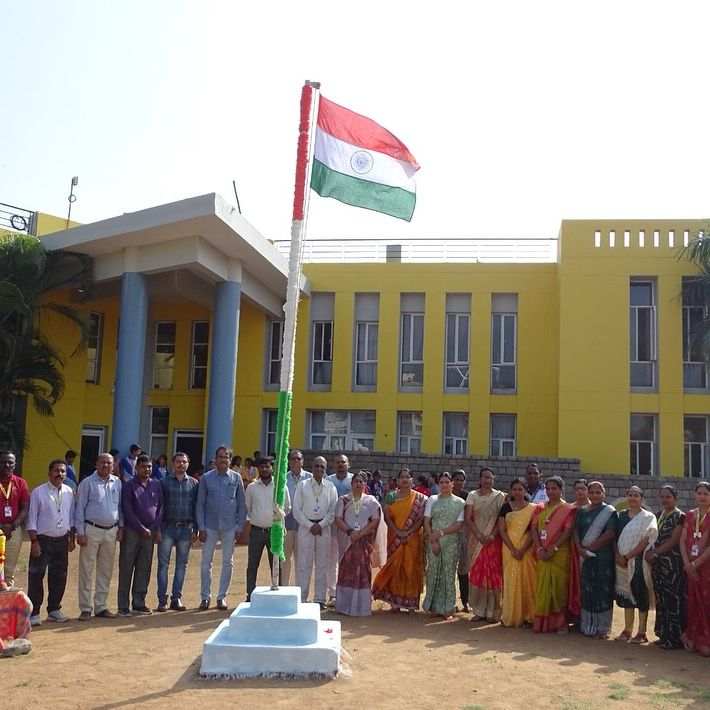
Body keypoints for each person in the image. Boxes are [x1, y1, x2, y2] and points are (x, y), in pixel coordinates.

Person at [195, 446, 247, 610]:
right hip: (209, 526)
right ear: (215, 459)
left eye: (226, 457)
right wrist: (201, 527)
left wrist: (240, 528)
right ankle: (205, 597)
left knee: (227, 562)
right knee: (206, 562)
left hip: (229, 526)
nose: (223, 460)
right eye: (220, 457)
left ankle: (221, 597)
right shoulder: (206, 478)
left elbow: (241, 505)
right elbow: (200, 504)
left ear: (230, 460)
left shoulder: (236, 478)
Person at [26, 459, 76, 625]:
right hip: (43, 541)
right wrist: (34, 541)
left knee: (59, 576)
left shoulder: (69, 491)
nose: (59, 474)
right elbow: (31, 519)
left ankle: (54, 609)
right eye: (56, 471)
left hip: (61, 540)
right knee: (36, 576)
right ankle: (34, 613)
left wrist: (71, 540)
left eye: (62, 471)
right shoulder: (38, 492)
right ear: (49, 473)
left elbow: (71, 517)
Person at [75, 452, 123, 620]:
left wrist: (120, 527)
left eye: (109, 463)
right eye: (103, 462)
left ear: (113, 465)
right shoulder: (87, 483)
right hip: (91, 530)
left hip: (111, 530)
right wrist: (80, 532)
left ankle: (101, 606)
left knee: (106, 569)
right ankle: (85, 608)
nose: (106, 465)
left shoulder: (117, 482)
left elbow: (120, 506)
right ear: (96, 464)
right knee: (86, 569)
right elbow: (79, 508)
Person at [372, 468, 426, 613]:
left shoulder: (420, 498)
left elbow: (420, 519)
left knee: (411, 569)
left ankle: (411, 604)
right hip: (394, 538)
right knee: (394, 569)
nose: (404, 479)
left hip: (413, 538)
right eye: (402, 477)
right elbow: (387, 516)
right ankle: (395, 603)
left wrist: (408, 532)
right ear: (397, 480)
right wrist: (398, 532)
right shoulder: (391, 497)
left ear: (412, 480)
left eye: (408, 477)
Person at [118, 454, 163, 616]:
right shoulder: (129, 486)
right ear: (136, 468)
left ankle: (139, 602)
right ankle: (123, 605)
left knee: (144, 567)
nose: (147, 469)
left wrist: (153, 528)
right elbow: (127, 509)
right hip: (132, 532)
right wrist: (140, 528)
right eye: (143, 466)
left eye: (149, 466)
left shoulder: (156, 485)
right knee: (126, 566)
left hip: (150, 533)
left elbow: (160, 508)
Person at [531, 476, 576, 633]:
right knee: (542, 587)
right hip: (542, 552)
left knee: (559, 589)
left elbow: (568, 530)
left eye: (554, 488)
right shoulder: (540, 508)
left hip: (559, 554)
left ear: (561, 490)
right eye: (548, 488)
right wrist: (539, 549)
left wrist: (554, 548)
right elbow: (534, 529)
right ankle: (542, 623)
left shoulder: (567, 509)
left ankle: (560, 623)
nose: (550, 491)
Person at [573, 481, 617, 638]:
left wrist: (589, 549)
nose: (595, 495)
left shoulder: (609, 511)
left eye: (599, 492)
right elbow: (576, 531)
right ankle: (587, 626)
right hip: (584, 557)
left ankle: (602, 628)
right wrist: (579, 548)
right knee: (587, 590)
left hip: (602, 557)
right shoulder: (582, 511)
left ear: (604, 493)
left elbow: (610, 534)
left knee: (602, 591)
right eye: (592, 492)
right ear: (587, 494)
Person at [333, 470, 381, 615]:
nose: (358, 484)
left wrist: (361, 533)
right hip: (347, 540)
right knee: (346, 570)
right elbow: (337, 519)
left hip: (364, 540)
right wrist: (350, 532)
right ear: (351, 484)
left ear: (365, 484)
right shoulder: (343, 500)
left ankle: (362, 606)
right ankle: (344, 606)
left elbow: (376, 520)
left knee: (363, 571)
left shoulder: (371, 501)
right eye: (356, 482)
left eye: (361, 482)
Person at [614, 485, 658, 643]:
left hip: (638, 561)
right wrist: (618, 556)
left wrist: (627, 557)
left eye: (636, 495)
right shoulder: (621, 516)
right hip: (621, 561)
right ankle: (627, 630)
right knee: (627, 594)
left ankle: (641, 632)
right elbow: (615, 537)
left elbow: (646, 540)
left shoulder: (648, 517)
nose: (633, 498)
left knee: (640, 593)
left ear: (642, 498)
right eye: (630, 495)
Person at [293, 456, 338, 609]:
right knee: (303, 564)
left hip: (323, 529)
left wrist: (322, 524)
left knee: (322, 565)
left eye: (322, 467)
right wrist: (309, 525)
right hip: (306, 528)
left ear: (325, 470)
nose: (319, 469)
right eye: (316, 466)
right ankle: (302, 598)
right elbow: (296, 509)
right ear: (312, 468)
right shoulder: (303, 485)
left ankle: (320, 599)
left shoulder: (331, 486)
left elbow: (333, 510)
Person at [244, 456, 290, 601]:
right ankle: (250, 595)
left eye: (267, 466)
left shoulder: (280, 487)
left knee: (276, 564)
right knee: (252, 564)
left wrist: (278, 515)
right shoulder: (252, 487)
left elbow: (287, 507)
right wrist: (257, 518)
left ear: (272, 468)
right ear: (258, 468)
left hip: (274, 531)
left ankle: (278, 594)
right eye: (262, 466)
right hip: (257, 531)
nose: (264, 469)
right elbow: (247, 508)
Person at [156, 452, 198, 612]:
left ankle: (176, 598)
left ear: (188, 464)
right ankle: (162, 600)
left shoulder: (194, 484)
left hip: (186, 528)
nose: (181, 464)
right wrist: (158, 528)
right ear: (172, 464)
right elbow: (159, 507)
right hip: (167, 527)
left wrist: (196, 528)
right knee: (163, 565)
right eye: (178, 461)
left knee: (182, 566)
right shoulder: (163, 483)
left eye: (184, 462)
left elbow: (196, 508)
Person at [645, 485, 685, 649]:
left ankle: (675, 638)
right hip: (658, 565)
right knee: (661, 599)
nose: (664, 499)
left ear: (675, 498)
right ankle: (663, 634)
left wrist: (655, 553)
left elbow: (674, 540)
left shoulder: (680, 517)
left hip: (672, 564)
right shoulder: (658, 515)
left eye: (668, 497)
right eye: (662, 496)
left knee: (673, 600)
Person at [422, 472, 465, 619]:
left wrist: (440, 533)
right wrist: (433, 540)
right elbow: (427, 521)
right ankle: (433, 606)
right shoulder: (432, 500)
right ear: (438, 484)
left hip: (451, 542)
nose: (445, 485)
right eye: (442, 482)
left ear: (452, 484)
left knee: (448, 573)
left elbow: (459, 524)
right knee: (433, 572)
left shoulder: (459, 503)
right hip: (433, 541)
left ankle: (447, 608)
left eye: (447, 482)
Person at [497, 477, 538, 628]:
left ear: (525, 490)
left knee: (528, 580)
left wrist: (522, 549)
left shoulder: (533, 508)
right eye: (514, 489)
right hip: (509, 549)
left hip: (526, 549)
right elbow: (501, 530)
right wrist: (513, 549)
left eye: (520, 489)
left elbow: (534, 531)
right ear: (510, 491)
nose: (517, 492)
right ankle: (512, 615)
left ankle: (529, 615)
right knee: (511, 580)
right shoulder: (506, 507)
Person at [466, 467, 505, 623]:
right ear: (480, 479)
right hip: (476, 541)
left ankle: (494, 612)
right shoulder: (472, 495)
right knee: (477, 574)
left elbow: (500, 519)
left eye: (490, 477)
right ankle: (479, 611)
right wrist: (479, 535)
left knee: (494, 575)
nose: (487, 480)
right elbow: (468, 518)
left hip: (493, 541)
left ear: (493, 479)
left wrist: (492, 535)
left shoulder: (499, 496)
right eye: (485, 477)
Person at [680, 481, 710, 656]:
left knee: (707, 602)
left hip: (706, 567)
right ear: (694, 495)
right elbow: (683, 540)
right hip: (690, 566)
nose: (702, 496)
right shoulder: (690, 515)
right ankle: (693, 635)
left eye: (706, 493)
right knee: (693, 601)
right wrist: (687, 564)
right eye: (699, 493)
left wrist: (695, 564)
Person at [0, 450, 30, 589]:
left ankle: (6, 604)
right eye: (3, 462)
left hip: (14, 530)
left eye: (10, 462)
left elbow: (24, 507)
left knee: (9, 567)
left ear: (14, 465)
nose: (6, 465)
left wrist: (12, 526)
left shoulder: (20, 483)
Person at [326, 453, 353, 605]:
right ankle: (333, 594)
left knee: (349, 559)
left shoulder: (354, 480)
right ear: (334, 465)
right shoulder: (328, 481)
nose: (341, 465)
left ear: (348, 464)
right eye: (338, 462)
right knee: (332, 560)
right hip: (332, 526)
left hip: (350, 527)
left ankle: (348, 591)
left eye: (343, 462)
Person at [282, 450, 311, 585]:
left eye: (298, 459)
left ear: (303, 461)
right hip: (286, 524)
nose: (295, 461)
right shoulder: (282, 478)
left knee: (302, 560)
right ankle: (284, 590)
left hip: (304, 525)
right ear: (288, 461)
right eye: (293, 459)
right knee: (285, 559)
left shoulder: (310, 478)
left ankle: (300, 591)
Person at [567, 479, 590, 629]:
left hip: (591, 552)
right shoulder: (570, 508)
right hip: (572, 551)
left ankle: (587, 619)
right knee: (573, 584)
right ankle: (574, 617)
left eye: (583, 489)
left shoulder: (597, 508)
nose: (580, 492)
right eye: (577, 489)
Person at [451, 469, 470, 612]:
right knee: (449, 570)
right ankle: (449, 601)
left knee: (463, 570)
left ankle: (465, 601)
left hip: (463, 534)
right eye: (456, 479)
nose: (459, 482)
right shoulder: (446, 496)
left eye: (461, 480)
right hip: (447, 534)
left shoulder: (468, 497)